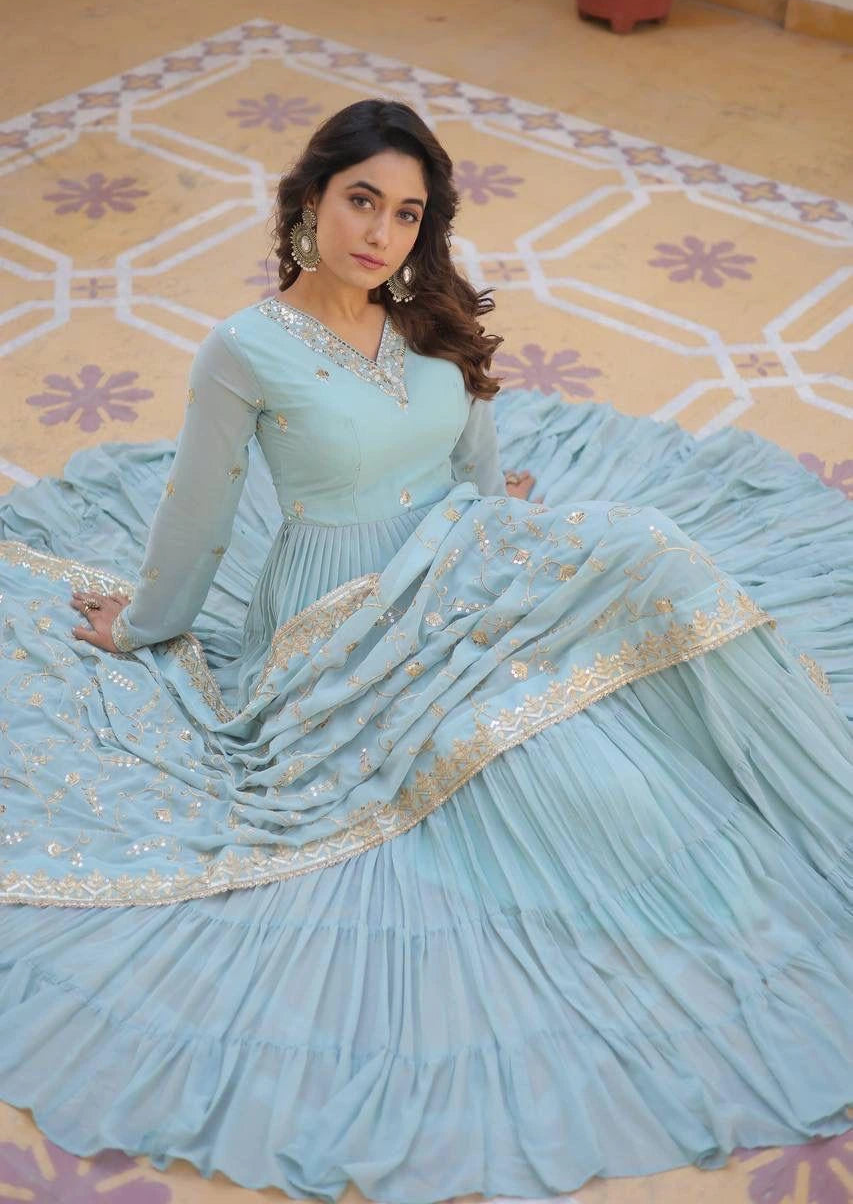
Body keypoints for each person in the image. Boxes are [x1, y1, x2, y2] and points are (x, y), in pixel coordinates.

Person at [0, 98, 850, 1204]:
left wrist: (512, 534)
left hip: (463, 560)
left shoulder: (424, 317)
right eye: (362, 200)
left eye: (407, 213)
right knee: (582, 786)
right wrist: (149, 624)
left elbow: (477, 466)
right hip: (337, 623)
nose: (382, 234)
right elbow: (201, 514)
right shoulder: (244, 350)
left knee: (650, 553)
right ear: (310, 200)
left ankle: (799, 809)